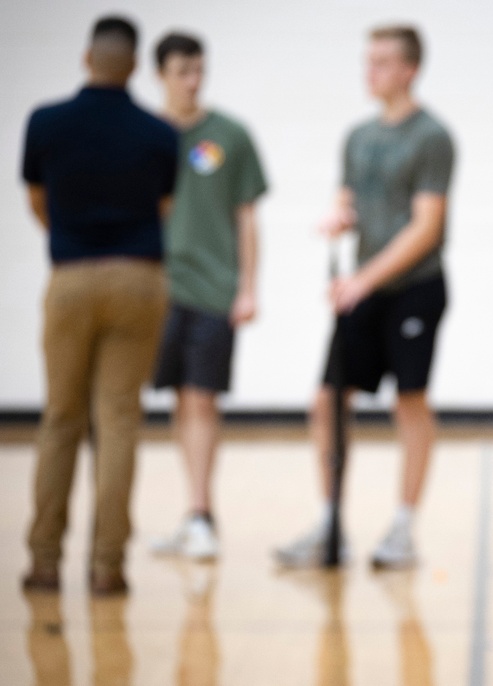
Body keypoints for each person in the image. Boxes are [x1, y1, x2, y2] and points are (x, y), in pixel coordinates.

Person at [274, 24, 455, 569]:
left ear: (409, 70)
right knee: (326, 401)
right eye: (367, 61)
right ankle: (330, 523)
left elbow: (425, 228)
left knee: (409, 402)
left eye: (380, 63)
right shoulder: (358, 136)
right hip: (364, 288)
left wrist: (363, 280)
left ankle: (402, 530)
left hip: (413, 289)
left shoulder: (431, 138)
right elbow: (349, 196)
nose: (369, 72)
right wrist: (339, 214)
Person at [20, 15, 178, 594]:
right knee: (118, 421)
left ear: (87, 58)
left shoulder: (46, 122)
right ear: (136, 65)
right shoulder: (160, 134)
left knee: (60, 418)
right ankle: (108, 566)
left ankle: (43, 560)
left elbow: (39, 201)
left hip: (71, 278)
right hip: (138, 278)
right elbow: (163, 206)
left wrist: (71, 237)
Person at [147, 32, 268, 561]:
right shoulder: (145, 135)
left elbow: (247, 217)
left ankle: (202, 515)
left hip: (213, 290)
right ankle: (190, 514)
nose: (193, 81)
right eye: (182, 71)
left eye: (200, 70)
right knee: (179, 398)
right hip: (157, 291)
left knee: (202, 397)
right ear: (160, 74)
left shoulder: (230, 135)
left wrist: (247, 287)